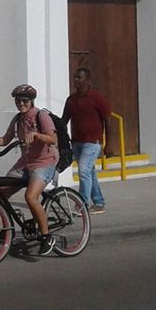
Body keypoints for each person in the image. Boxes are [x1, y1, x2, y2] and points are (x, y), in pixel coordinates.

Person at [0, 84, 59, 256]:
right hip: (25, 162)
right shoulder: (17, 119)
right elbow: (6, 139)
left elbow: (52, 139)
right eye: (17, 100)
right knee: (1, 193)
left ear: (31, 101)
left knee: (30, 196)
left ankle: (47, 236)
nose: (21, 103)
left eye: (24, 100)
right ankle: (9, 229)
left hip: (44, 162)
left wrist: (37, 135)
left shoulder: (41, 116)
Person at [62, 67, 111, 214]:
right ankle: (99, 202)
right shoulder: (71, 100)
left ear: (87, 81)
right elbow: (64, 120)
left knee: (83, 171)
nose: (76, 80)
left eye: (79, 78)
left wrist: (109, 143)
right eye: (75, 77)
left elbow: (107, 119)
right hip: (76, 142)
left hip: (92, 142)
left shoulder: (96, 98)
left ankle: (81, 204)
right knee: (89, 172)